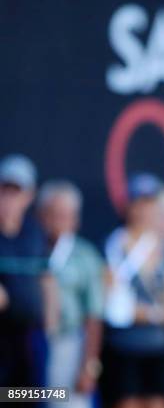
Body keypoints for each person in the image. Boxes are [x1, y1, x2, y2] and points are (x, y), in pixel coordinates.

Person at [100, 174, 164, 408]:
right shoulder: (113, 247)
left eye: (151, 203)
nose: (145, 211)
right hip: (123, 347)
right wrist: (155, 314)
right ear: (129, 206)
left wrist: (147, 312)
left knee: (158, 402)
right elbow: (113, 307)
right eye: (140, 203)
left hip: (159, 349)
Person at [38, 180, 105, 408]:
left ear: (76, 219)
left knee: (65, 403)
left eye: (66, 215)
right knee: (18, 396)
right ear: (42, 216)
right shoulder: (31, 248)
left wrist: (89, 367)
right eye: (54, 214)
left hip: (68, 346)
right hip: (29, 345)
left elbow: (94, 315)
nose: (59, 222)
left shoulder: (85, 256)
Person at [0, 154, 53, 392]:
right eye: (5, 190)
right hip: (2, 337)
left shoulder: (35, 232)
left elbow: (46, 277)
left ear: (29, 196)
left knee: (31, 396)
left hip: (31, 335)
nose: (9, 199)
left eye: (16, 191)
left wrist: (51, 322)